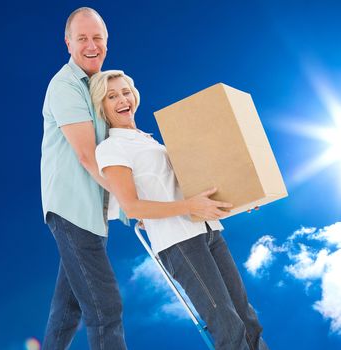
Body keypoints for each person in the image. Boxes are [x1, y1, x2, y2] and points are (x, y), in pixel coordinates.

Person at [90, 70, 269, 350]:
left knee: (247, 319)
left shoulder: (150, 140)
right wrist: (189, 206)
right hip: (179, 242)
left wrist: (243, 195)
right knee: (227, 326)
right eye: (111, 96)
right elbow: (131, 206)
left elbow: (193, 183)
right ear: (101, 106)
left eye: (125, 92)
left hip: (208, 231)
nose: (122, 99)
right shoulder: (111, 148)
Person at [40, 8, 127, 350]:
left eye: (97, 38)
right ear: (68, 43)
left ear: (107, 41)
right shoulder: (65, 86)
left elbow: (120, 154)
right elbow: (87, 155)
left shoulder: (101, 88)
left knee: (68, 310)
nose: (91, 46)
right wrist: (136, 205)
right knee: (106, 308)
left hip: (94, 214)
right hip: (73, 210)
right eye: (82, 39)